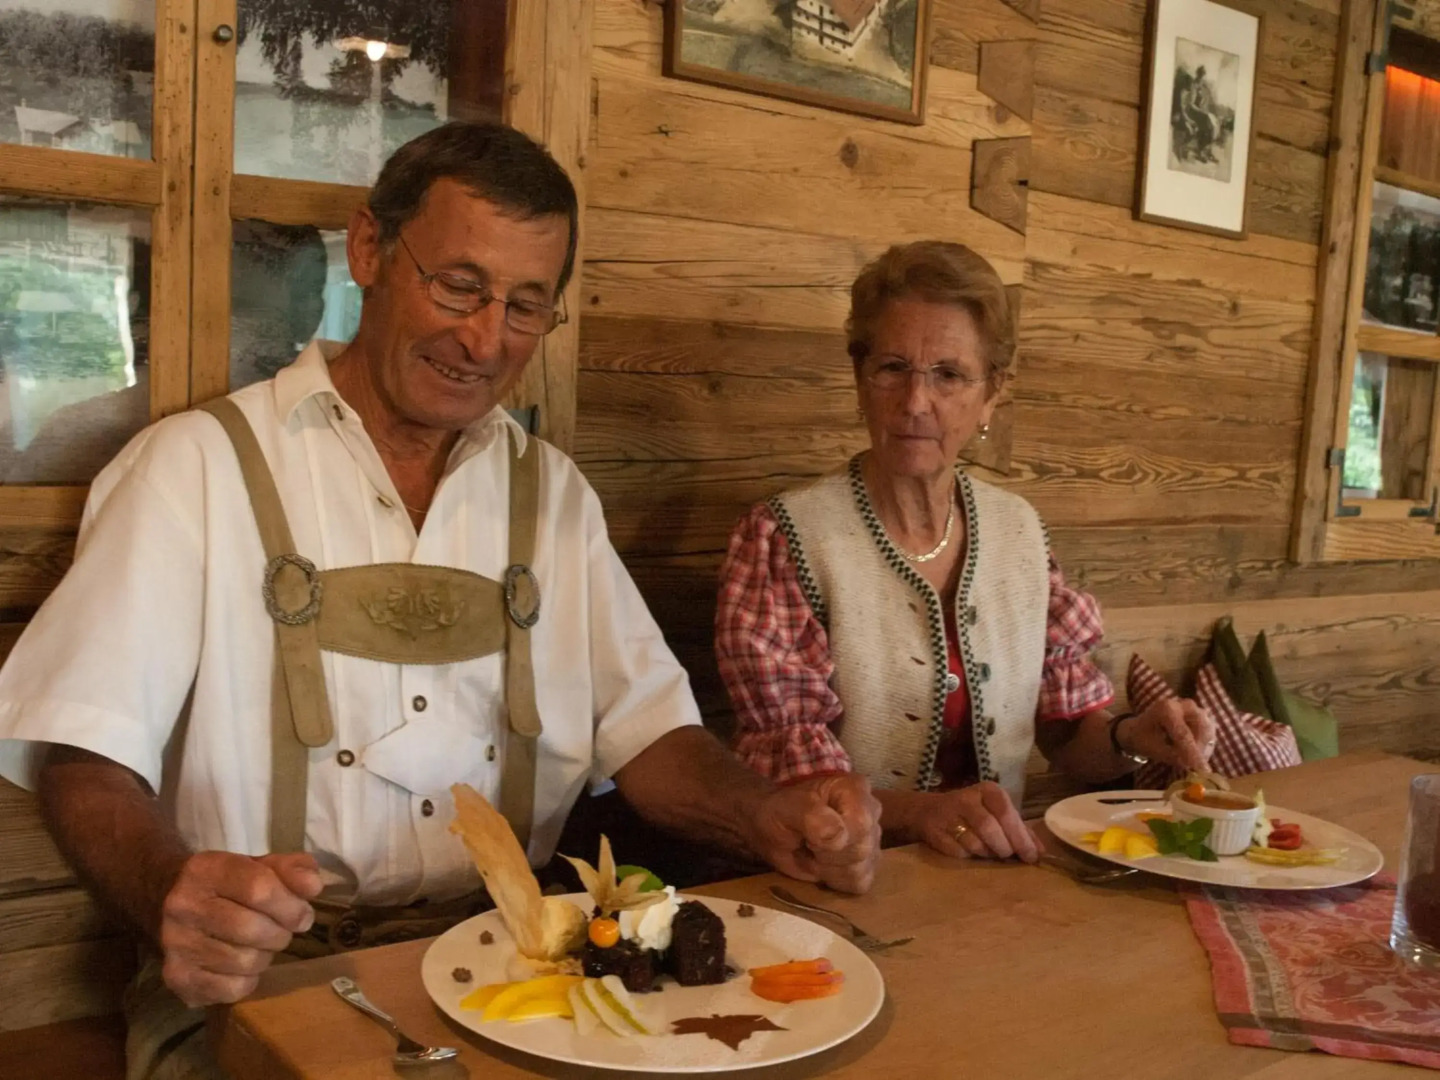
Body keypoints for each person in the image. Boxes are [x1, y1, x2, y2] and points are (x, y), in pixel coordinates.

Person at [0, 122, 880, 1080]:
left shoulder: (551, 496)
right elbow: (81, 758)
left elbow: (650, 735)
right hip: (255, 985)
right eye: (458, 286)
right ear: (370, 251)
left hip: (519, 967)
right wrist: (174, 890)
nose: (483, 337)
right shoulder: (195, 469)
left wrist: (762, 814)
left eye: (525, 306)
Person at [714, 241, 1216, 865]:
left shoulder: (1021, 533)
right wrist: (926, 815)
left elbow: (1066, 735)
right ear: (859, 377)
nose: (915, 401)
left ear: (991, 394)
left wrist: (1135, 737)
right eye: (893, 367)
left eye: (948, 375)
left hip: (994, 880)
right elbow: (797, 785)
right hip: (841, 879)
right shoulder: (785, 540)